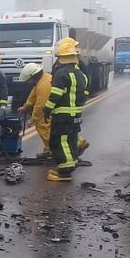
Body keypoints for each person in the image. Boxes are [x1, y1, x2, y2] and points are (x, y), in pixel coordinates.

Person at [43, 39, 89, 182]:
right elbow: (85, 94)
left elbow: (55, 95)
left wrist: (47, 109)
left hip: (62, 115)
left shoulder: (61, 74)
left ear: (61, 57)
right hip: (76, 114)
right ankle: (72, 162)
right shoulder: (81, 74)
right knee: (71, 139)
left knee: (58, 141)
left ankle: (65, 171)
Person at [19, 61, 52, 157]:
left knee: (42, 125)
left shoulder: (44, 85)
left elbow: (41, 106)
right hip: (55, 109)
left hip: (56, 110)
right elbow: (33, 95)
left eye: (29, 80)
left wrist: (32, 120)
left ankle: (52, 150)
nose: (29, 82)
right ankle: (48, 149)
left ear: (33, 76)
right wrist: (26, 106)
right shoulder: (43, 79)